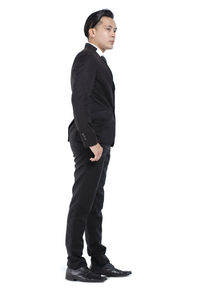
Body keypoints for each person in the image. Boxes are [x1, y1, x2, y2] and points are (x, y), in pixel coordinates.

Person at [65, 9, 132, 282]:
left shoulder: (98, 61)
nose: (113, 33)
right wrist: (91, 141)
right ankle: (75, 264)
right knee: (83, 202)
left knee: (94, 202)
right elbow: (79, 101)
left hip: (100, 141)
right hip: (89, 141)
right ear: (92, 31)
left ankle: (98, 259)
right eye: (108, 28)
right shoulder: (86, 58)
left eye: (115, 29)